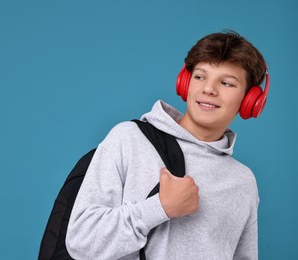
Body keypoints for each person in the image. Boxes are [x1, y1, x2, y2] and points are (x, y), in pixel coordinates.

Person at [66, 30, 268, 259]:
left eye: (226, 83)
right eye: (200, 76)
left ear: (250, 100)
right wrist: (160, 207)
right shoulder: (130, 139)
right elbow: (81, 242)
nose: (209, 89)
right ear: (185, 83)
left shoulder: (243, 181)